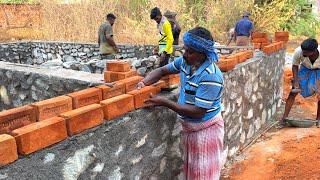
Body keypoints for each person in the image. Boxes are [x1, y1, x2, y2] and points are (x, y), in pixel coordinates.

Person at [137, 27, 225, 179]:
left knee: (204, 174)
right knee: (193, 172)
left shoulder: (211, 76)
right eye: (185, 50)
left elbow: (198, 111)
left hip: (206, 131)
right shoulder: (185, 63)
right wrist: (143, 83)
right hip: (191, 130)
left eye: (190, 52)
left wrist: (165, 102)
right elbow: (162, 71)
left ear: (202, 54)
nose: (185, 55)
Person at [281, 38, 320, 127]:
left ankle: (318, 119)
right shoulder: (298, 51)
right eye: (303, 51)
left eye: (305, 52)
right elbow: (295, 66)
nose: (303, 53)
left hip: (319, 70)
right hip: (305, 69)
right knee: (293, 92)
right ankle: (284, 118)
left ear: (314, 51)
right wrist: (296, 81)